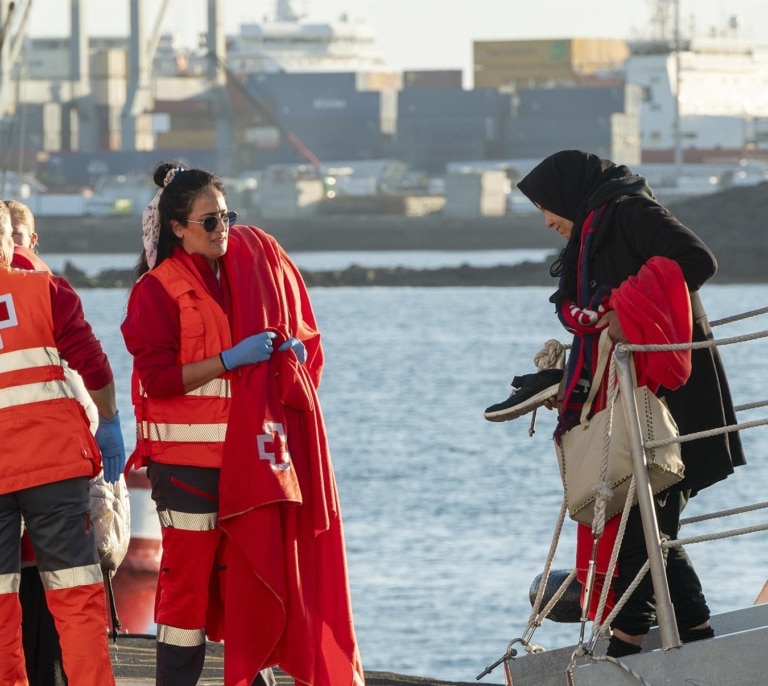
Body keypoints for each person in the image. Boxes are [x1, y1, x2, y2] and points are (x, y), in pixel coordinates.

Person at [120, 162, 365, 686]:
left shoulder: (236, 278)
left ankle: (252, 678)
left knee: (245, 582)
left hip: (239, 464)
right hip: (185, 468)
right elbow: (159, 380)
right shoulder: (156, 292)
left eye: (226, 216)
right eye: (208, 221)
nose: (222, 229)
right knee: (187, 591)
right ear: (177, 228)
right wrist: (231, 359)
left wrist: (284, 356)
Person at [515, 150, 745, 657]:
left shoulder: (627, 211)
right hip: (634, 398)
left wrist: (627, 309)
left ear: (569, 194)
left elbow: (697, 260)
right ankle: (699, 637)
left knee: (645, 522)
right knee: (649, 522)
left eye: (546, 206)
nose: (548, 220)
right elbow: (589, 317)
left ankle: (627, 640)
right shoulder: (592, 232)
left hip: (671, 396)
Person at [0, 200, 127, 685]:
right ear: (10, 243)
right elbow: (92, 365)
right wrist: (110, 420)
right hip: (54, 466)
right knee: (76, 598)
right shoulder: (47, 291)